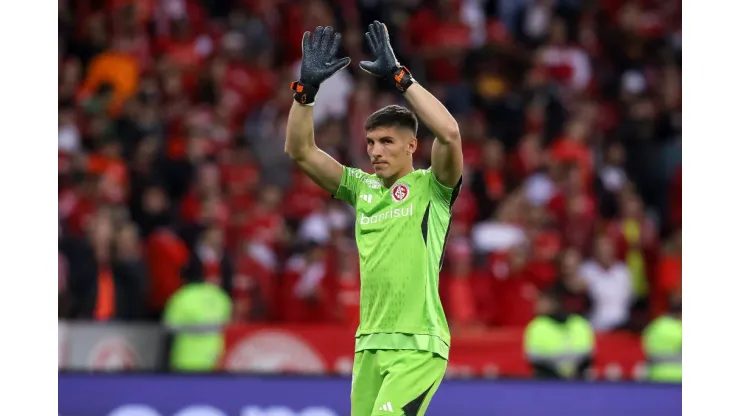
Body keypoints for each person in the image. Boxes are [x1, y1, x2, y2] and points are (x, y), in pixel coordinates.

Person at [284, 22, 463, 416]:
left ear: (412, 146)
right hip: (369, 344)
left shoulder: (432, 188)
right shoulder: (360, 188)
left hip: (418, 344)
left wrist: (400, 78)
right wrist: (305, 93)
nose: (376, 151)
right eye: (370, 143)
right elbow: (299, 150)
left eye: (387, 142)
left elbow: (449, 133)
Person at [524, 289, 594, 380]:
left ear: (555, 303)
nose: (537, 305)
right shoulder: (536, 326)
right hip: (547, 380)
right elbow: (534, 358)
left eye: (543, 301)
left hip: (577, 380)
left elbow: (587, 355)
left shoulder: (580, 324)